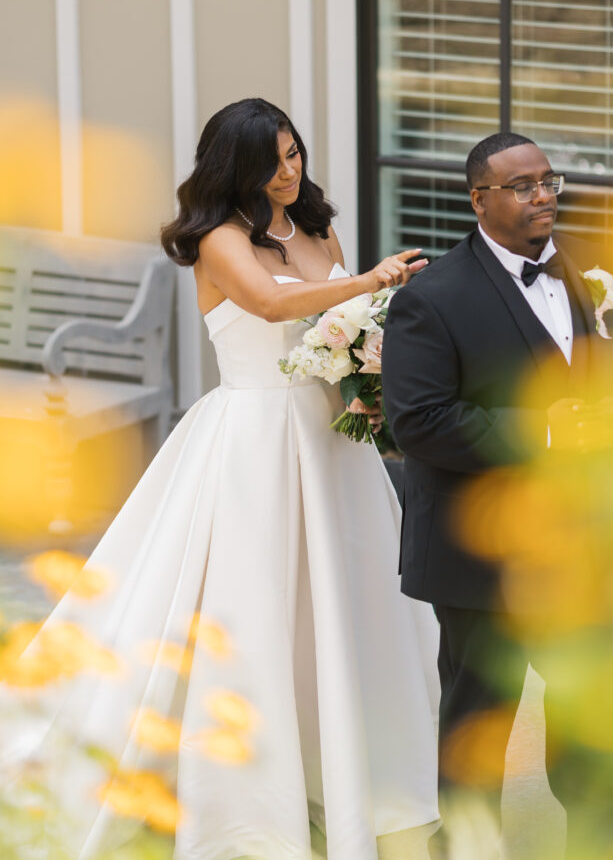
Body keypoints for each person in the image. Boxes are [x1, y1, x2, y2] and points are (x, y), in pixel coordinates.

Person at [2, 99, 440, 860]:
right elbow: (271, 303)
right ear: (234, 166)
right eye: (272, 159)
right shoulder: (217, 240)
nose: (289, 169)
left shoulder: (315, 229)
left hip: (331, 443)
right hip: (256, 440)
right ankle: (244, 796)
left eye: (295, 153)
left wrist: (370, 392)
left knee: (347, 598)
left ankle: (344, 764)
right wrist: (366, 280)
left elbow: (346, 326)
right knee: (256, 608)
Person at [381, 133, 613, 860]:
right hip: (487, 553)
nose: (543, 195)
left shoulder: (595, 276)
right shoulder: (432, 298)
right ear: (478, 198)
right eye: (522, 186)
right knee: (480, 710)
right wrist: (543, 433)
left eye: (549, 181)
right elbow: (417, 420)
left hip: (593, 538)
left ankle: (603, 835)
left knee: (594, 706)